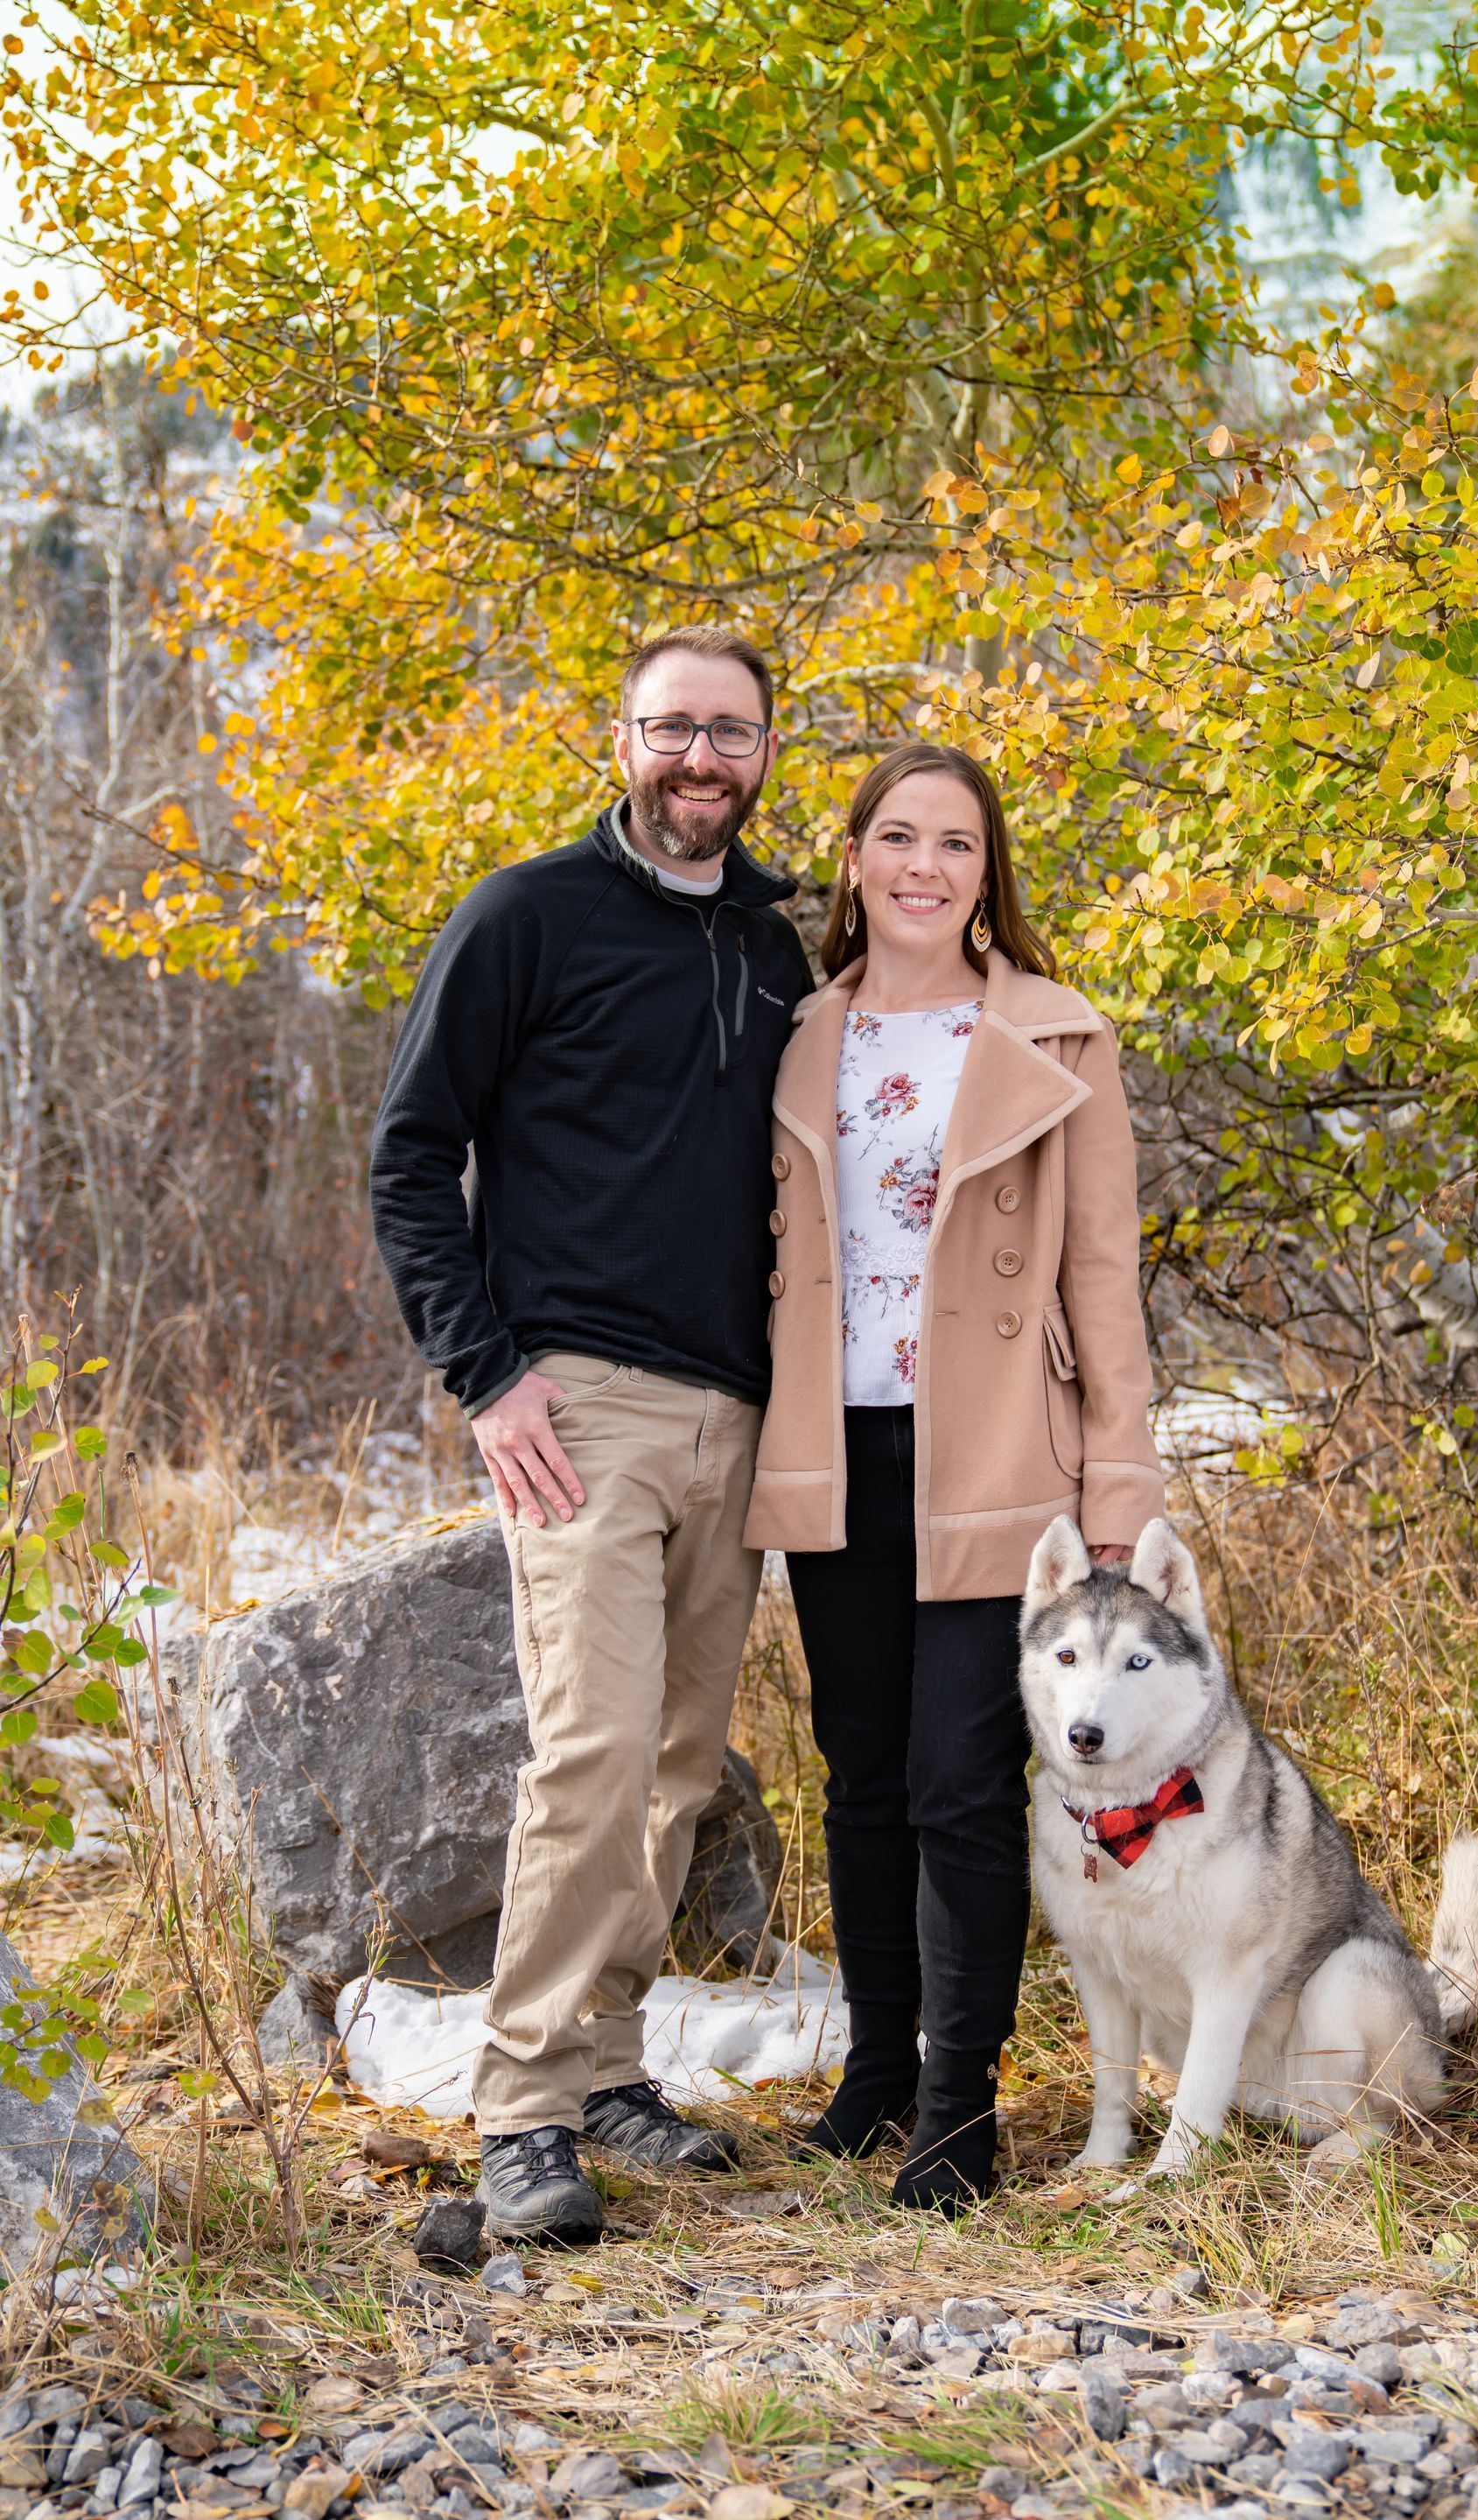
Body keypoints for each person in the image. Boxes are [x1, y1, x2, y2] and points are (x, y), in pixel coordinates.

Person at [369, 628, 812, 2245]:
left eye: (735, 734)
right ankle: (522, 2108)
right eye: (675, 729)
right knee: (595, 1748)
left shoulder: (779, 946)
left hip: (741, 1409)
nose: (705, 759)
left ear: (769, 753)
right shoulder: (524, 917)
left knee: (681, 1759)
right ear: (616, 741)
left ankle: (615, 2063)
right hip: (579, 1408)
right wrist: (486, 1380)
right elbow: (413, 1158)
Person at [744, 741, 1166, 2215]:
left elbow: (1103, 1276)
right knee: (859, 1778)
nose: (925, 866)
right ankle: (871, 2077)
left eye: (958, 845)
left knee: (961, 1783)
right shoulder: (797, 1031)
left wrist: (1120, 1482)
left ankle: (956, 2109)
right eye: (898, 838)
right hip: (834, 1443)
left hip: (997, 1451)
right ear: (854, 860)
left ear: (990, 876)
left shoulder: (1057, 1039)